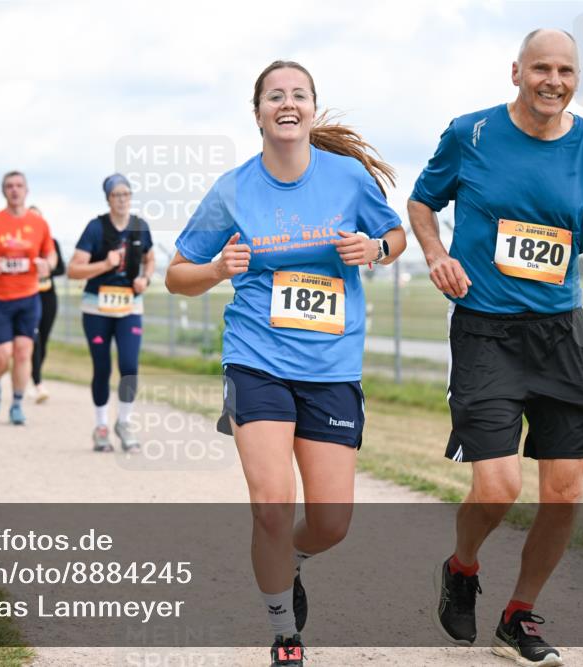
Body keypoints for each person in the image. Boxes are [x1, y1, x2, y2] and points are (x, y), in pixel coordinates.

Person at [409, 29, 583, 667]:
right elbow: (423, 202)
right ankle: (463, 567)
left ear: (576, 78)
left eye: (566, 70)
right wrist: (435, 254)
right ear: (516, 71)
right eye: (542, 67)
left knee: (565, 490)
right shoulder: (472, 134)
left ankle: (518, 614)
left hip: (562, 334)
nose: (554, 80)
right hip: (486, 329)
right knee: (499, 484)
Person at [166, 61, 405, 667]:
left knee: (330, 522)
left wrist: (375, 248)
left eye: (299, 94)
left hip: (331, 367)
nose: (288, 103)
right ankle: (284, 634)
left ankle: (292, 560)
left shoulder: (348, 179)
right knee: (271, 504)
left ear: (313, 110)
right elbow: (176, 276)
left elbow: (395, 237)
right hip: (257, 360)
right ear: (259, 113)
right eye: (276, 95)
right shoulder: (234, 189)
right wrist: (218, 269)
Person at [67, 176, 155, 452]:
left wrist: (146, 278)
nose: (122, 199)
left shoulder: (140, 227)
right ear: (108, 198)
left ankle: (125, 422)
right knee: (102, 367)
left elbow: (149, 258)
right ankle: (101, 426)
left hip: (129, 305)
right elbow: (73, 270)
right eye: (116, 194)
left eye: (126, 193)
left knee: (129, 366)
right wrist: (105, 264)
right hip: (97, 307)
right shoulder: (96, 228)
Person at [0, 172, 58, 425]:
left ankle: (17, 403)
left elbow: (50, 255)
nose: (14, 190)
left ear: (27, 191)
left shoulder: (39, 224)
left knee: (23, 352)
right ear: (3, 191)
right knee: (1, 355)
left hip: (28, 297)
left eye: (19, 186)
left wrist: (47, 265)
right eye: (9, 186)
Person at [28, 205, 65, 403]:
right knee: (34, 339)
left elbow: (61, 269)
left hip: (48, 296)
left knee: (44, 340)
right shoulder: (23, 244)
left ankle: (33, 374)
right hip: (28, 296)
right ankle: (38, 383)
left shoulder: (52, 244)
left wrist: (47, 269)